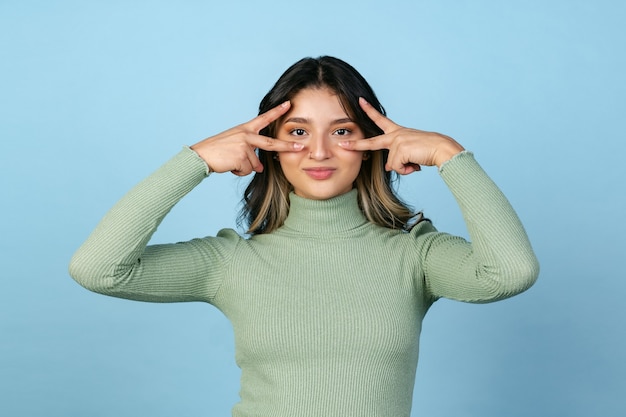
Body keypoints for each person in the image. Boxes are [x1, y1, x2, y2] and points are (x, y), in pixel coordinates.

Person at [69, 56, 539, 417]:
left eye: (341, 130)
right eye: (297, 131)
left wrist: (449, 155)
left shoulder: (415, 254)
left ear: (371, 145)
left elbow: (509, 273)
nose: (318, 150)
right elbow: (99, 270)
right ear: (268, 148)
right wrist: (194, 161)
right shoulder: (230, 263)